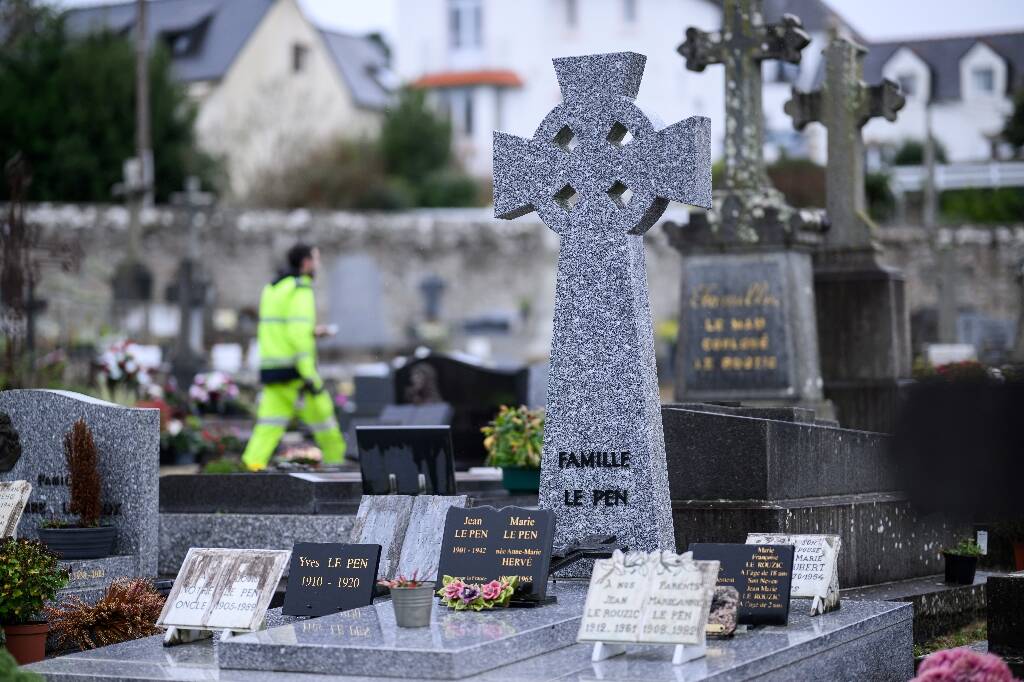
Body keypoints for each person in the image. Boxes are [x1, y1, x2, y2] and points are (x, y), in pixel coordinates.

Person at [241, 244, 346, 471]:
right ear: (306, 262)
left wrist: (313, 332)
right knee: (326, 423)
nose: (318, 264)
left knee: (268, 426)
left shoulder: (273, 288)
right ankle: (338, 471)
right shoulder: (300, 289)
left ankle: (249, 470)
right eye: (316, 259)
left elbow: (281, 329)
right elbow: (297, 334)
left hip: (274, 368)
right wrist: (308, 374)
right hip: (297, 371)